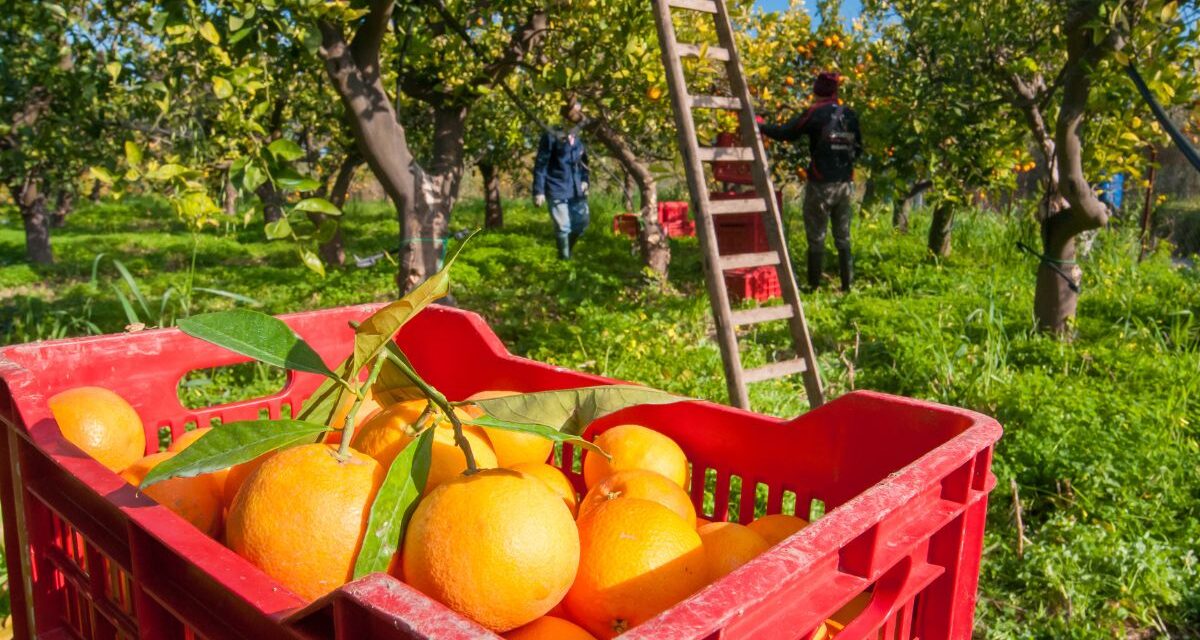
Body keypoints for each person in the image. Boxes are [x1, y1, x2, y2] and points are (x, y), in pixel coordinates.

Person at [760, 71, 863, 292]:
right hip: (845, 184)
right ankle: (847, 286)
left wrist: (761, 126)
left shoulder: (816, 113)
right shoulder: (850, 114)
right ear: (836, 91)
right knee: (843, 236)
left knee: (817, 236)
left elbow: (788, 132)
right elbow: (859, 149)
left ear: (817, 91)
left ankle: (813, 286)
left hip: (820, 184)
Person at [533, 101, 590, 260]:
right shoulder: (551, 135)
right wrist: (539, 190)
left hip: (577, 188)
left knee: (581, 223)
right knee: (563, 225)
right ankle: (564, 259)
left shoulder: (578, 138)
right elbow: (541, 163)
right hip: (556, 186)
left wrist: (585, 181)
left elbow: (584, 163)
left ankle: (568, 250)